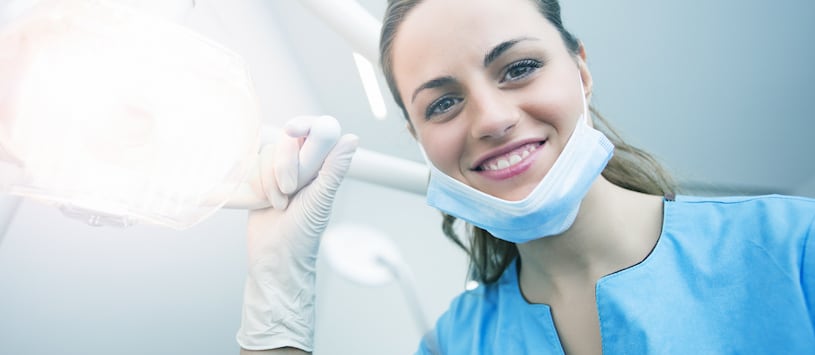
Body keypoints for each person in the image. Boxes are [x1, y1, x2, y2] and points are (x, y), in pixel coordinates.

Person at [235, 0, 815, 354]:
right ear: (420, 141)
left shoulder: (794, 246)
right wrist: (275, 306)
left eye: (519, 68)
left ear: (581, 70)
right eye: (441, 105)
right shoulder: (457, 344)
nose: (491, 119)